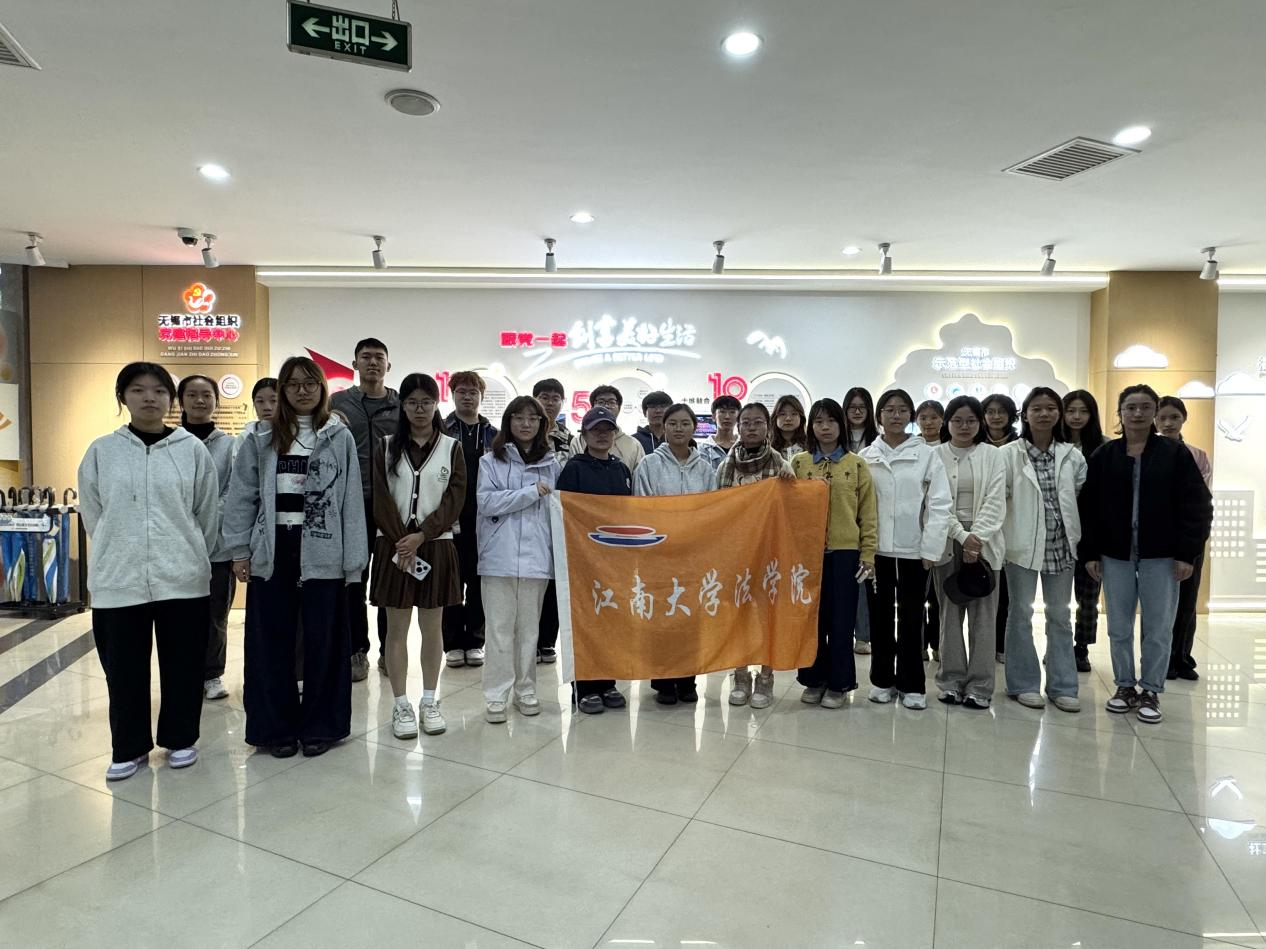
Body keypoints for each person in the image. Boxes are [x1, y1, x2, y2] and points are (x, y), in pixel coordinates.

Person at [79, 362, 220, 781]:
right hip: (118, 579)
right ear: (123, 397)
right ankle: (129, 746)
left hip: (182, 577)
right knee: (123, 669)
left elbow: (206, 512)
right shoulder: (102, 451)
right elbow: (94, 513)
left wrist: (191, 551)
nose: (149, 398)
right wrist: (117, 548)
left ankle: (181, 738)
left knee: (184, 665)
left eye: (159, 391)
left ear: (170, 400)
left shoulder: (190, 450)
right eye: (138, 390)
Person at [223, 356, 367, 758]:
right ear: (282, 391)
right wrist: (239, 550)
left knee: (325, 643)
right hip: (274, 549)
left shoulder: (338, 437)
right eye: (293, 384)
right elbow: (241, 496)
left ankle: (322, 726)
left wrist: (353, 561)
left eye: (310, 383)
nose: (302, 391)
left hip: (323, 548)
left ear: (322, 388)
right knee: (270, 643)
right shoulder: (261, 438)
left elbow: (351, 501)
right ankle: (275, 729)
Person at [1081, 385, 1212, 724]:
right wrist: (1091, 552)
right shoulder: (1105, 455)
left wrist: (1187, 554)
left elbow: (1197, 506)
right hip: (1115, 553)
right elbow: (1089, 508)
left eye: (1144, 407)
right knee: (1119, 625)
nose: (1137, 413)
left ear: (1154, 411)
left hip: (1163, 554)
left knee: (1158, 627)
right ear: (1120, 412)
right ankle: (1125, 685)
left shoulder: (1175, 454)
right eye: (1130, 407)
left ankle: (1151, 689)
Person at [371, 373, 464, 739]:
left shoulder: (451, 447)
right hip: (394, 547)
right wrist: (403, 541)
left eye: (426, 401)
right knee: (395, 630)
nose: (419, 409)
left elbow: (455, 499)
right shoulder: (386, 446)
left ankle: (429, 700)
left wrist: (422, 535)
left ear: (436, 404)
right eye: (412, 402)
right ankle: (400, 704)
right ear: (403, 405)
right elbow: (380, 498)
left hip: (435, 546)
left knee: (432, 628)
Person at [859, 389, 952, 710]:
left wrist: (931, 548)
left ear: (910, 416)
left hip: (915, 552)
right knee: (880, 618)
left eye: (902, 410)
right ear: (879, 416)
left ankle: (912, 684)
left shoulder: (926, 455)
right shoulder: (867, 456)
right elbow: (859, 505)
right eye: (889, 410)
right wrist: (863, 549)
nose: (895, 415)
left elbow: (940, 504)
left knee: (912, 618)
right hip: (876, 553)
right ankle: (882, 680)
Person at [998, 387, 1085, 713]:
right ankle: (1023, 684)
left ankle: (1063, 686)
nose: (1044, 413)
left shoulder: (1072, 455)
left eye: (1050, 408)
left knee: (1060, 615)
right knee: (1020, 613)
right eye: (1037, 408)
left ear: (1058, 414)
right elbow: (1000, 499)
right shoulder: (1009, 454)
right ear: (1025, 415)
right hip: (1021, 546)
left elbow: (1079, 497)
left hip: (1061, 546)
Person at [478, 396, 561, 722]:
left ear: (542, 424)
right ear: (508, 421)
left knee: (529, 631)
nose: (526, 424)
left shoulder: (552, 464)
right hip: (498, 556)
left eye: (533, 418)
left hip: (537, 558)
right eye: (519, 417)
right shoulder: (490, 461)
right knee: (498, 629)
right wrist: (529, 493)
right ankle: (496, 695)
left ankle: (525, 690)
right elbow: (487, 503)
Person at [790, 399, 877, 708]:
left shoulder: (856, 464)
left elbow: (868, 512)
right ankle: (813, 680)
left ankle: (839, 684)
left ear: (842, 425)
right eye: (818, 421)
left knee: (841, 622)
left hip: (845, 553)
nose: (824, 427)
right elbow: (787, 509)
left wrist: (868, 554)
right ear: (811, 427)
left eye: (831, 421)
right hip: (807, 555)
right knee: (812, 621)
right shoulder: (799, 464)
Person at [633, 403, 718, 705]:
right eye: (673, 423)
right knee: (662, 618)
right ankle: (664, 682)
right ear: (663, 427)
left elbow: (712, 510)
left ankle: (687, 680)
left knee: (690, 619)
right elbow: (641, 506)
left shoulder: (705, 468)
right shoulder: (649, 465)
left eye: (685, 423)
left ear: (694, 427)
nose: (679, 428)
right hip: (660, 555)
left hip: (693, 556)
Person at [718, 402, 797, 708]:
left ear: (768, 426)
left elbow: (791, 509)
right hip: (736, 551)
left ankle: (766, 677)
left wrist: (791, 481)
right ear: (738, 427)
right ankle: (740, 675)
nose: (751, 427)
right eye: (746, 422)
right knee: (737, 615)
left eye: (758, 422)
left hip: (770, 552)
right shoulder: (725, 466)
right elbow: (716, 510)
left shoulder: (781, 464)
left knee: (767, 616)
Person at [330, 338, 399, 682]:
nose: (373, 362)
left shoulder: (400, 403)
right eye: (366, 357)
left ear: (389, 365)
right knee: (353, 580)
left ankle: (390, 651)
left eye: (379, 357)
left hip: (390, 505)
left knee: (389, 581)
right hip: (350, 504)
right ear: (355, 363)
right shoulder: (338, 403)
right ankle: (356, 650)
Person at [557, 406, 633, 714]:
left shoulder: (621, 470)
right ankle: (585, 687)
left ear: (614, 434)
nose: (602, 435)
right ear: (584, 434)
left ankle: (608, 682)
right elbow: (563, 512)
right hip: (582, 559)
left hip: (615, 560)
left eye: (607, 430)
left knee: (612, 621)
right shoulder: (573, 469)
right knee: (585, 622)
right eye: (595, 430)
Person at [932, 397, 1006, 708]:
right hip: (947, 540)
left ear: (980, 423)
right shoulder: (935, 455)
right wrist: (962, 536)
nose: (964, 426)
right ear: (947, 422)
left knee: (984, 618)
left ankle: (980, 686)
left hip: (985, 542)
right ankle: (950, 680)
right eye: (958, 420)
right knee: (949, 614)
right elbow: (935, 502)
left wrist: (976, 538)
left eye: (971, 420)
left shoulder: (993, 455)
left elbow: (996, 499)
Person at [176, 374, 239, 702]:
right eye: (192, 395)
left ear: (216, 400)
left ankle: (212, 674)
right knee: (179, 615)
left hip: (217, 547)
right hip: (175, 545)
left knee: (215, 613)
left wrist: (206, 520)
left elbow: (233, 491)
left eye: (206, 395)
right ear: (181, 400)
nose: (199, 401)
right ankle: (183, 674)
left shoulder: (229, 445)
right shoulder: (170, 442)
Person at [442, 370, 498, 669]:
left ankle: (475, 641)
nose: (467, 396)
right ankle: (452, 643)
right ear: (452, 394)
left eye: (473, 392)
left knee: (479, 581)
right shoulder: (441, 429)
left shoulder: (494, 434)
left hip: (484, 518)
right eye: (461, 391)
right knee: (451, 580)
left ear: (481, 397)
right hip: (449, 516)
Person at [1157, 395, 1213, 681]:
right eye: (1162, 417)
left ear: (1184, 419)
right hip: (1158, 539)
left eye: (1174, 417)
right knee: (1161, 603)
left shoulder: (1197, 455)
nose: (1168, 423)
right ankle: (1161, 660)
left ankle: (1182, 657)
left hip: (1190, 538)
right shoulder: (1148, 452)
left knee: (1188, 600)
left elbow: (1199, 499)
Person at [1062, 389, 1107, 673]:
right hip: (1059, 529)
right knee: (1057, 597)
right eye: (1071, 411)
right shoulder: (1053, 445)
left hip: (1092, 531)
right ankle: (1058, 645)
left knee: (1088, 595)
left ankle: (1081, 648)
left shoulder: (1104, 447)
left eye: (1083, 411)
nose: (1076, 417)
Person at [532, 377, 571, 665]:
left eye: (555, 398)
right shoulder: (524, 433)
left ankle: (547, 641)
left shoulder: (571, 438)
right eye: (544, 397)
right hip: (529, 514)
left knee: (556, 581)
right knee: (532, 580)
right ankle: (529, 640)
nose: (549, 402)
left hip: (560, 519)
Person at [982, 392, 1020, 663]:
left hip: (1011, 524)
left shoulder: (1020, 446)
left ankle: (1002, 645)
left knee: (1006, 593)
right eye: (990, 411)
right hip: (981, 525)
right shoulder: (976, 445)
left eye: (1001, 412)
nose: (996, 417)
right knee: (981, 589)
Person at [844, 386, 880, 656]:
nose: (857, 412)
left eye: (862, 407)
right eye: (852, 407)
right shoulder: (837, 440)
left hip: (870, 514)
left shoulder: (878, 442)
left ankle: (864, 635)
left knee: (866, 580)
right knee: (847, 580)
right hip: (844, 518)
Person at [914, 400, 946, 661]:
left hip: (942, 529)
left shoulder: (948, 448)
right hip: (915, 532)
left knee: (939, 595)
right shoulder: (913, 448)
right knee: (917, 595)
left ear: (942, 420)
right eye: (923, 417)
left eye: (933, 417)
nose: (928, 422)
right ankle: (920, 644)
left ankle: (938, 644)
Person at [568, 384, 645, 471]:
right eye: (601, 402)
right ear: (592, 407)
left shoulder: (634, 445)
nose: (606, 406)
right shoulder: (578, 441)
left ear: (619, 408)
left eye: (611, 402)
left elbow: (639, 476)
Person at [698, 395, 741, 470]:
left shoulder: (743, 445)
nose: (727, 416)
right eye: (722, 411)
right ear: (713, 416)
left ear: (738, 417)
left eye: (732, 412)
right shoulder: (704, 448)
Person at [634, 390, 673, 455]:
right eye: (652, 406)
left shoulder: (676, 438)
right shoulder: (634, 440)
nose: (658, 411)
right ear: (644, 412)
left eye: (663, 406)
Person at [770, 394, 807, 460]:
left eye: (794, 414)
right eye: (783, 414)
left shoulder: (810, 445)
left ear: (801, 418)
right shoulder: (767, 446)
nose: (788, 418)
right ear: (775, 418)